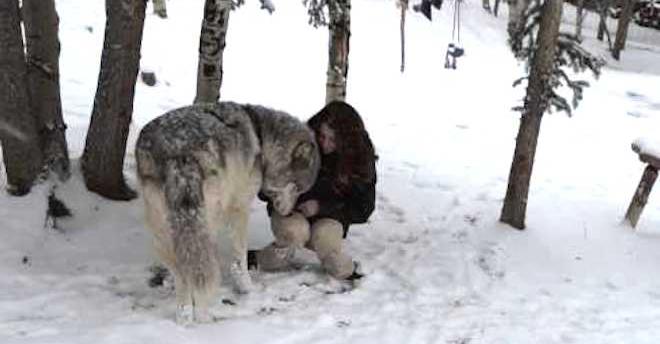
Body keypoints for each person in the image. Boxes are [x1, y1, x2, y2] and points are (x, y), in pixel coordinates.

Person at [252, 100, 377, 282]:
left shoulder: (360, 159)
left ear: (347, 141)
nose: (324, 143)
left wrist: (321, 207)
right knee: (293, 234)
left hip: (331, 217)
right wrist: (287, 195)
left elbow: (363, 208)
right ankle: (256, 260)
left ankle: (349, 271)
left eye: (333, 140)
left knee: (330, 251)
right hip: (291, 212)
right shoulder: (300, 143)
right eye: (322, 136)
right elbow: (265, 188)